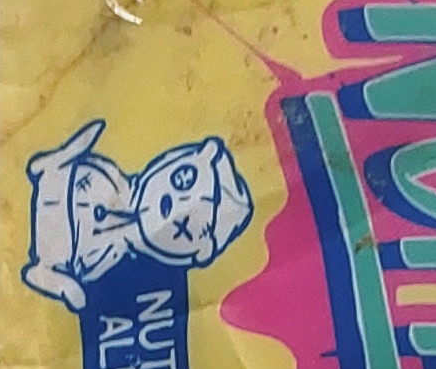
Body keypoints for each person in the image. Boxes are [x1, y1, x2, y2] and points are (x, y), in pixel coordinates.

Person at [20, 120, 258, 311]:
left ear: (200, 251)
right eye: (183, 180)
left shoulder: (110, 257)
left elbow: (75, 295)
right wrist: (61, 158)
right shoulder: (109, 176)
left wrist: (60, 283)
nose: (171, 205)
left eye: (187, 224)